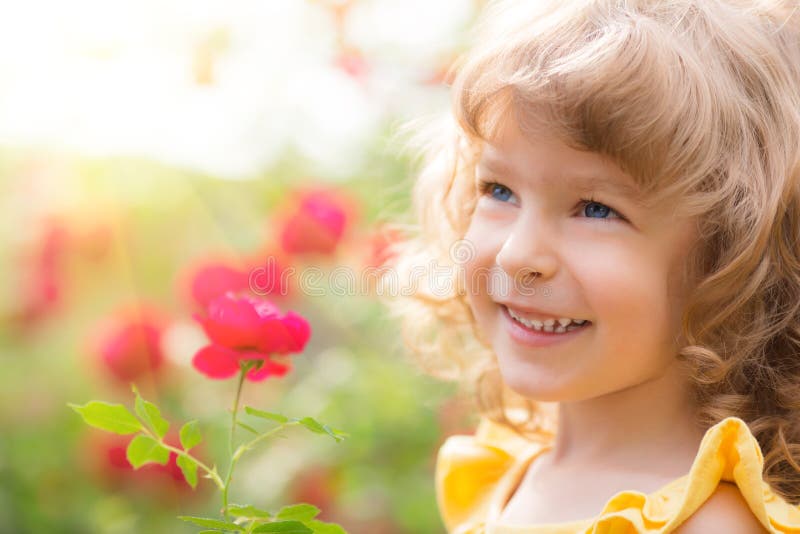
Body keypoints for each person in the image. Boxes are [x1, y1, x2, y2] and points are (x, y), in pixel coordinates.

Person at [387, 0, 800, 532]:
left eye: (596, 209)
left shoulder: (708, 524)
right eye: (498, 189)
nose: (516, 255)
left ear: (734, 256)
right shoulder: (509, 470)